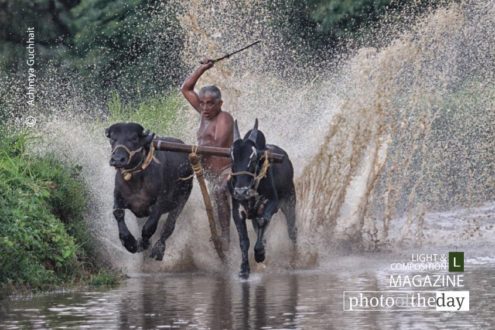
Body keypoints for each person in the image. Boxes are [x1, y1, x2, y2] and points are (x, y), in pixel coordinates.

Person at [181, 59, 234, 252]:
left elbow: (217, 145)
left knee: (220, 191)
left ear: (220, 104)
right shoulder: (204, 113)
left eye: (210, 104)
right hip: (207, 172)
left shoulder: (224, 118)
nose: (204, 108)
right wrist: (202, 68)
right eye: (201, 104)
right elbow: (186, 89)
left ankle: (226, 236)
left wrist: (194, 151)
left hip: (227, 171)